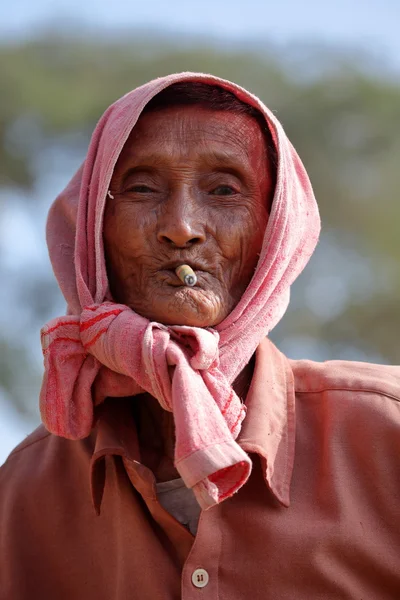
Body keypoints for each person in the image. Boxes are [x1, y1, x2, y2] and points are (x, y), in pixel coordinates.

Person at [1, 72, 399, 600]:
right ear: (93, 231)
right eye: (142, 188)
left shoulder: (385, 433)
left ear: (274, 232)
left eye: (224, 190)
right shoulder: (25, 494)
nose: (182, 226)